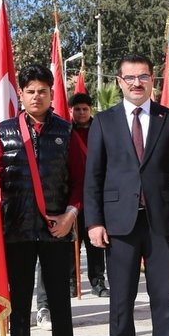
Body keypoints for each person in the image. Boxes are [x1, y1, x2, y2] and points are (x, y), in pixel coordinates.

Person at [84, 54, 169, 336]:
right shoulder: (103, 121)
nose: (137, 83)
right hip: (119, 225)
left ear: (152, 80)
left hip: (162, 223)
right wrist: (94, 222)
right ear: (119, 82)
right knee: (121, 299)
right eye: (130, 78)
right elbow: (93, 177)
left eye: (143, 77)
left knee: (164, 299)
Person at [0, 65, 86, 336]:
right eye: (30, 91)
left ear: (51, 94)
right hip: (16, 230)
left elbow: (80, 181)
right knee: (18, 298)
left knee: (59, 297)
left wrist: (70, 215)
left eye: (42, 91)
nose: (36, 97)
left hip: (56, 230)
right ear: (20, 94)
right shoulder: (3, 132)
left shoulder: (66, 131)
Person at [69, 91, 107, 298]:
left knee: (96, 241)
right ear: (71, 111)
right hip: (72, 197)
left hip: (96, 196)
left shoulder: (100, 129)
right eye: (77, 109)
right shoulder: (65, 132)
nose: (81, 113)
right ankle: (72, 281)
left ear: (90, 110)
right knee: (71, 243)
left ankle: (97, 281)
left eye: (85, 109)